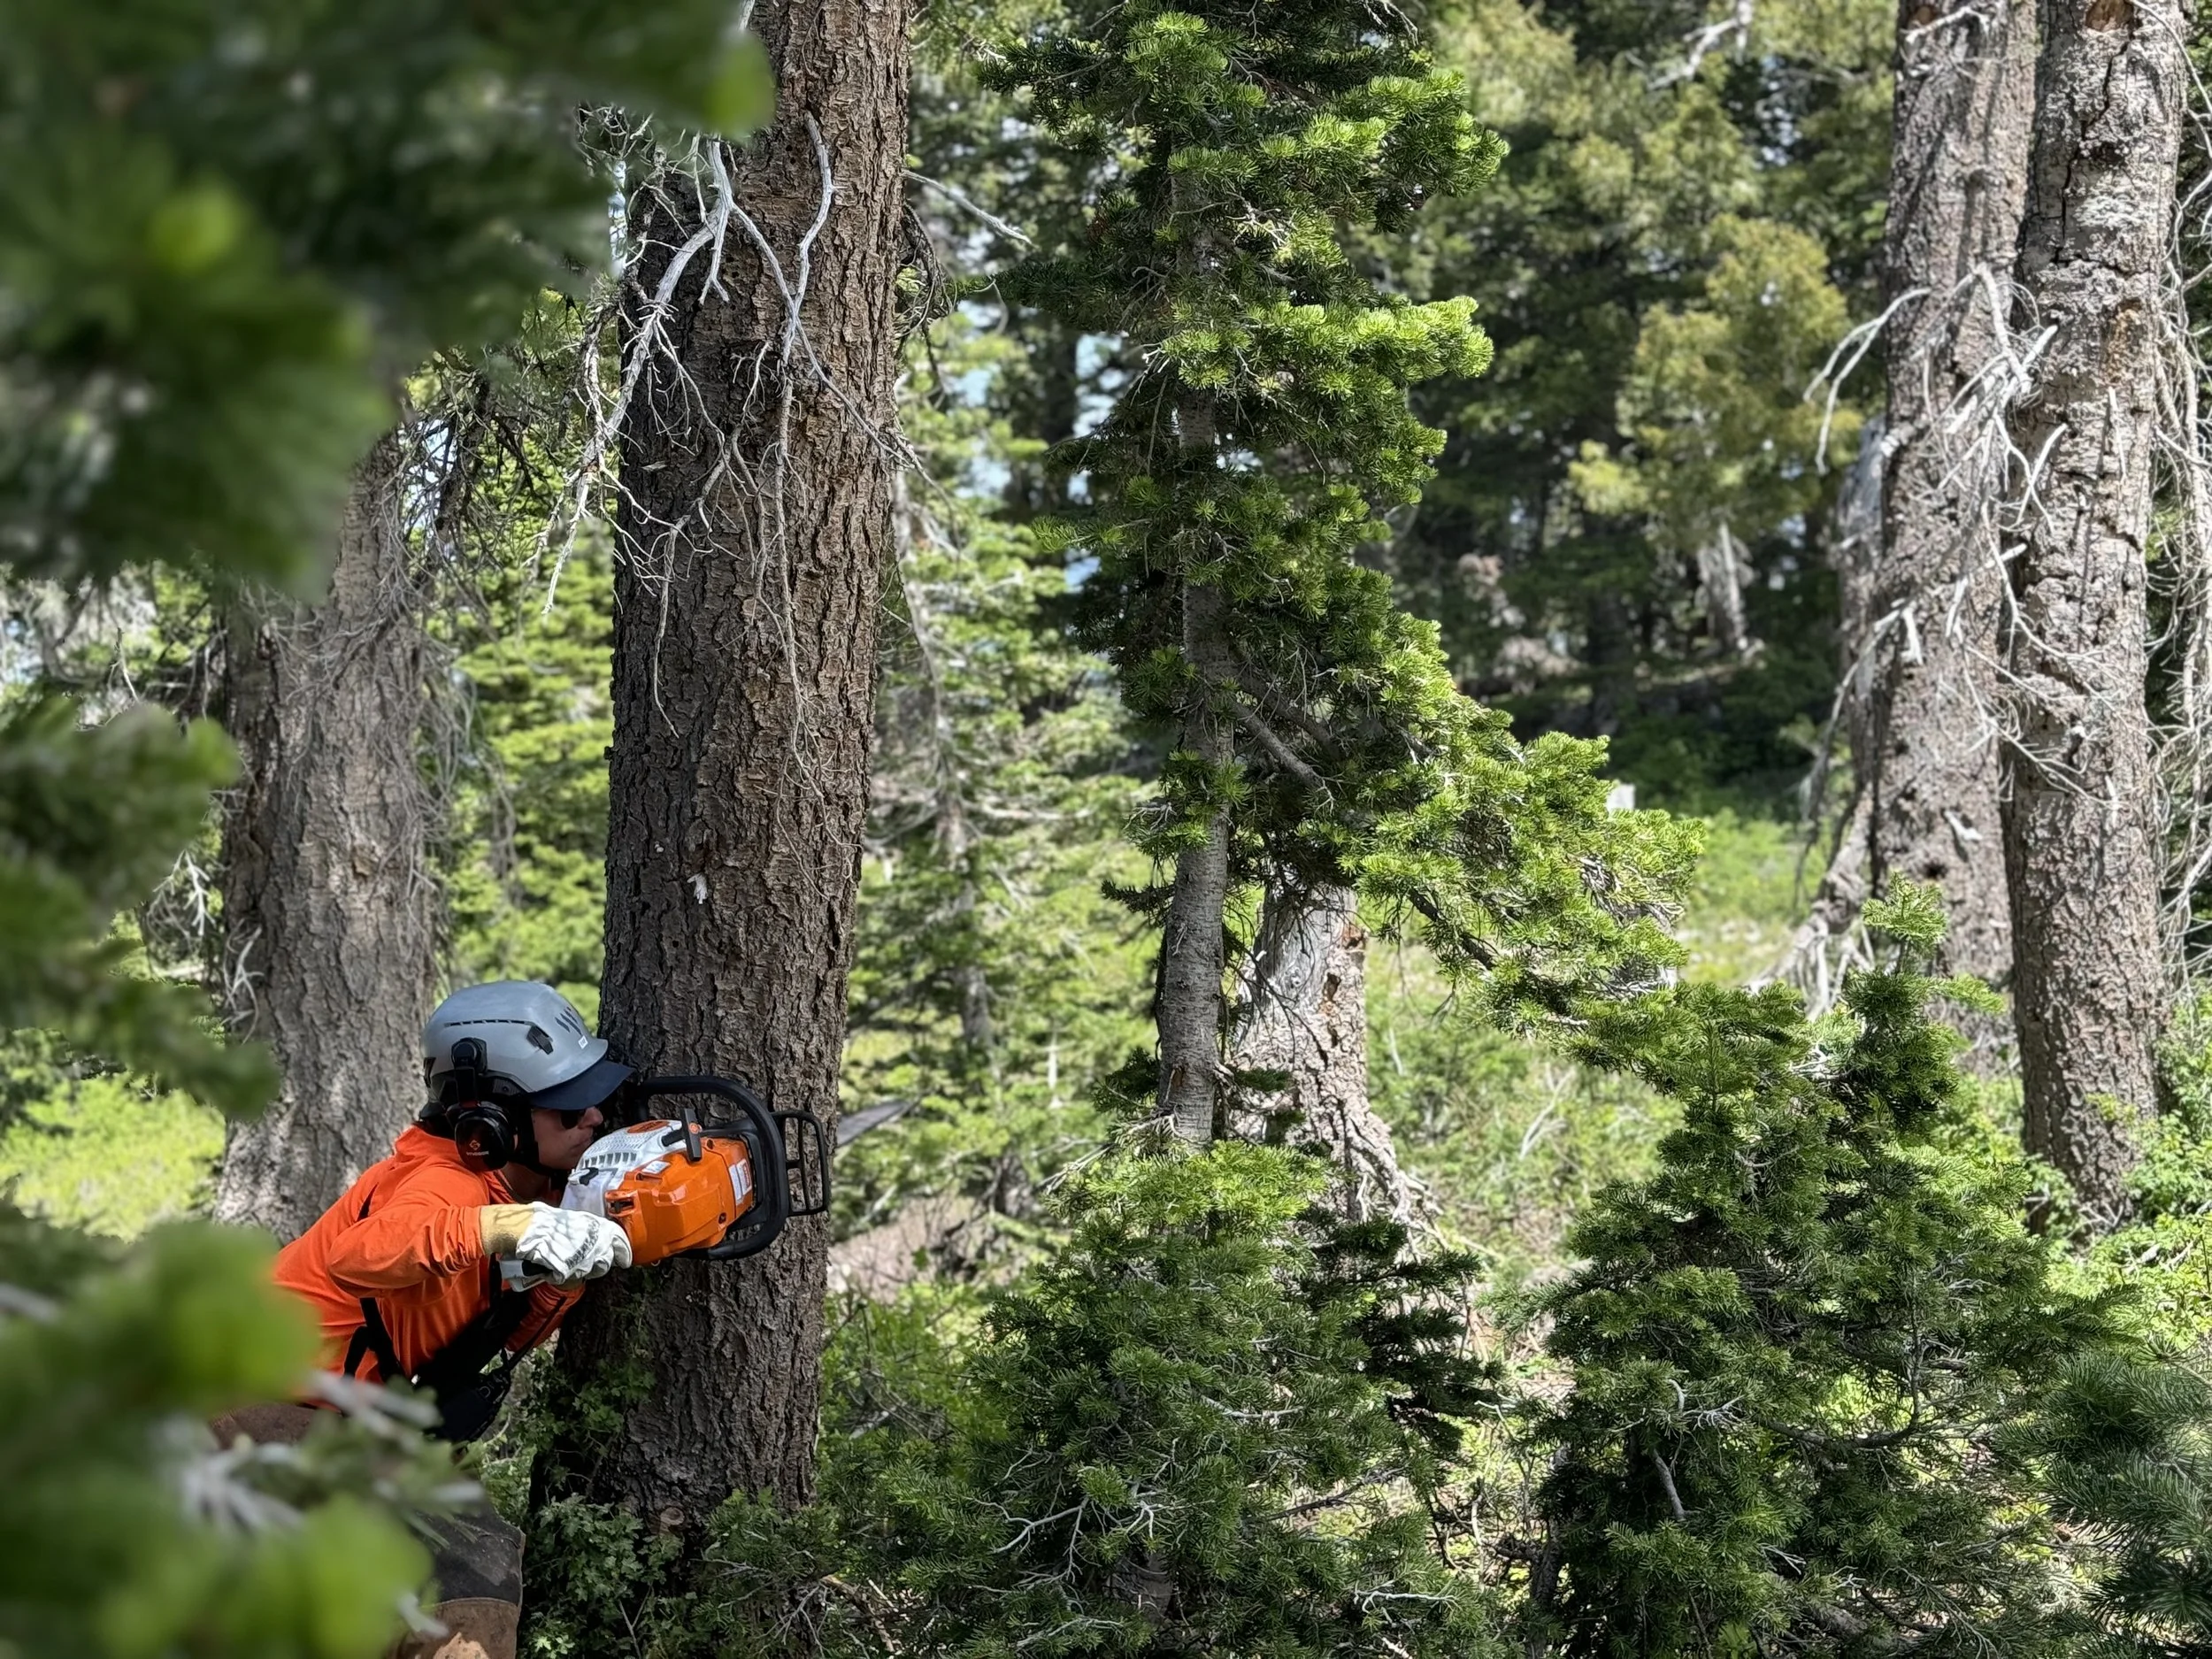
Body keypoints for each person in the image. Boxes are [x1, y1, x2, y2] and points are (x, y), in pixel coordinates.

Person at [211, 980, 637, 1659]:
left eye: (595, 1097)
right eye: (564, 1107)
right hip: (240, 1403)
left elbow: (481, 1339)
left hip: (331, 1420)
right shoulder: (444, 1186)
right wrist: (506, 1226)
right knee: (460, 1574)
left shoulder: (518, 1189)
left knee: (463, 1557)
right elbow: (364, 1253)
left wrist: (561, 1272)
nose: (592, 1116)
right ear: (497, 1120)